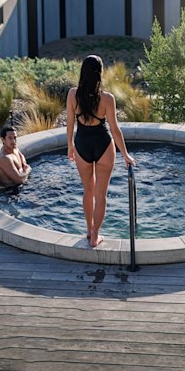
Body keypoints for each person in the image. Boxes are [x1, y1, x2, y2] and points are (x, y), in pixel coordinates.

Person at [67, 54, 136, 248]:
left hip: (81, 144)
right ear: (100, 74)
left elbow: (70, 124)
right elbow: (115, 129)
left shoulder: (73, 95)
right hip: (103, 145)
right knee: (101, 194)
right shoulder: (107, 99)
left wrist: (70, 146)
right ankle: (96, 236)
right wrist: (125, 155)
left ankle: (89, 230)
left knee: (87, 191)